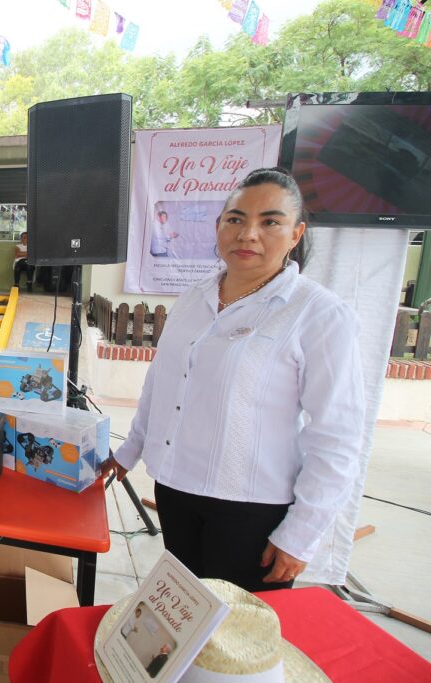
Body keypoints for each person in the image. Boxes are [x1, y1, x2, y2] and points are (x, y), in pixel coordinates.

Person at [102, 168, 365, 593]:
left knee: (239, 628)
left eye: (270, 222)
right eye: (236, 219)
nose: (248, 234)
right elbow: (162, 383)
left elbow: (337, 435)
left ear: (296, 234)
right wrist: (130, 450)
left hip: (251, 509)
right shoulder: (195, 297)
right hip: (176, 487)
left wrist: (301, 533)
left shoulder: (318, 313)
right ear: (218, 226)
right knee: (186, 611)